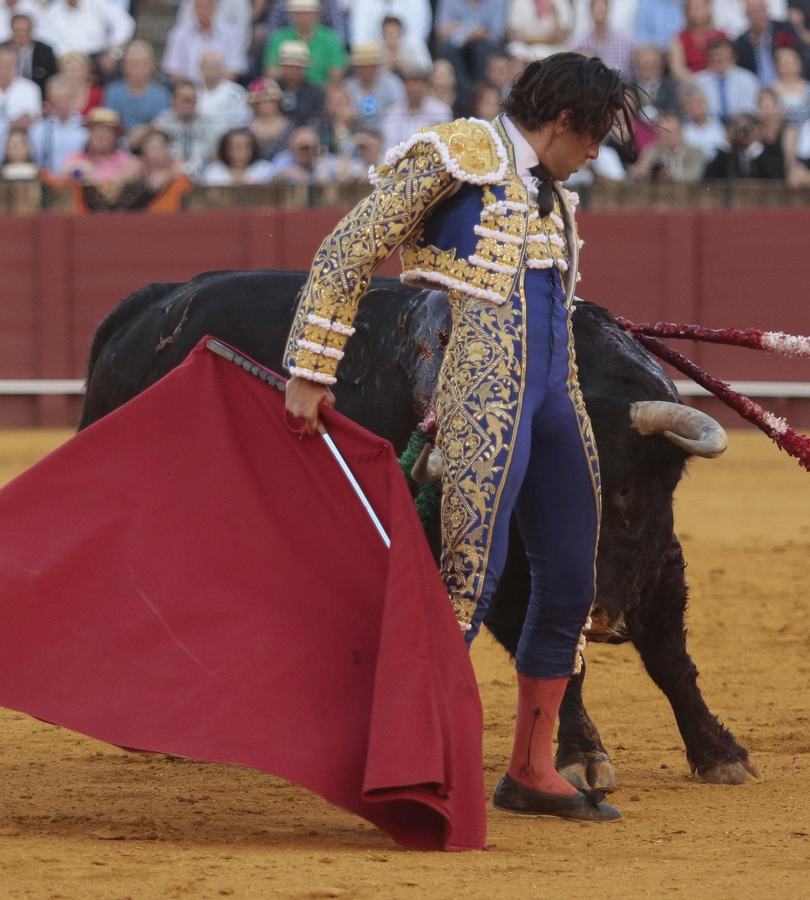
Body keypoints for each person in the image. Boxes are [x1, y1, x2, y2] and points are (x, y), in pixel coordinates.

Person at [282, 53, 639, 822]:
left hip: (556, 398)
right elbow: (349, 248)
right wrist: (312, 368)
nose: (597, 153)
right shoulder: (456, 154)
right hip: (484, 397)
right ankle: (406, 767)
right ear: (565, 121)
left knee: (572, 581)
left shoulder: (552, 194)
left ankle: (532, 769)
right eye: (597, 135)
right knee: (466, 579)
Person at [265, 0, 348, 84]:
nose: (303, 17)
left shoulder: (331, 39)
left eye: (307, 13)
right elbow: (270, 73)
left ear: (317, 14)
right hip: (286, 92)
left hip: (321, 92)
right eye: (299, 13)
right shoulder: (279, 38)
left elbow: (337, 74)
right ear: (292, 15)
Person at [60, 105, 139, 192]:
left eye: (107, 131)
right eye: (96, 130)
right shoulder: (75, 158)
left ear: (115, 136)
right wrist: (77, 171)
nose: (101, 136)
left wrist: (93, 178)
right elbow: (62, 180)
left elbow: (133, 175)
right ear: (89, 134)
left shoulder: (127, 160)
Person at [164, 0, 245, 81]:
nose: (202, 11)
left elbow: (235, 69)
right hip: (190, 88)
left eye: (206, 7)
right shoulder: (178, 35)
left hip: (221, 88)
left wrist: (212, 88)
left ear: (214, 8)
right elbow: (173, 70)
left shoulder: (231, 34)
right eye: (199, 7)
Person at [103, 41, 173, 131]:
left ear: (151, 66)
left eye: (141, 63)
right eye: (132, 63)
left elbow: (161, 125)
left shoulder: (162, 95)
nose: (136, 68)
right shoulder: (112, 92)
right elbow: (110, 124)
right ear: (123, 66)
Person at [152, 79, 218, 173]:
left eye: (192, 99)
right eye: (185, 100)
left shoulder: (207, 123)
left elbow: (216, 155)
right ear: (173, 100)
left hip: (204, 173)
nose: (188, 104)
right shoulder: (162, 123)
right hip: (170, 173)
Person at [381, 66, 453, 148]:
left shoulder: (441, 111)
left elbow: (444, 143)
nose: (414, 88)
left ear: (426, 85)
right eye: (410, 84)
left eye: (417, 84)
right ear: (404, 86)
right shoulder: (392, 113)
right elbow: (390, 145)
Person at [39, 0, 133, 62]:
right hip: (66, 60)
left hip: (97, 58)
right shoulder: (54, 11)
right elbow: (47, 39)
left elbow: (125, 24)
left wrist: (113, 53)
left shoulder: (98, 3)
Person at [26, 76, 88, 171]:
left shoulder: (85, 127)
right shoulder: (39, 129)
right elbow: (36, 159)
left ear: (74, 99)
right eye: (57, 99)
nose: (61, 103)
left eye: (66, 98)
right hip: (48, 180)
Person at [438, 0, 509, 80]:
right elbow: (442, 33)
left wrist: (460, 27)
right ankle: (463, 89)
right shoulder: (449, 1)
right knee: (448, 49)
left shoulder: (498, 2)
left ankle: (482, 87)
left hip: (485, 45)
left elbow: (497, 33)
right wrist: (471, 33)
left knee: (481, 48)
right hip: (457, 46)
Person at [733, 0, 801, 82]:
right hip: (757, 88)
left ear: (766, 11)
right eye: (752, 12)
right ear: (746, 14)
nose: (756, 15)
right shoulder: (741, 43)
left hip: (786, 83)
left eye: (759, 11)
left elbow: (801, 54)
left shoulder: (784, 29)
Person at [703, 110, 787, 176]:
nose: (744, 133)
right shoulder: (728, 154)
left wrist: (755, 148)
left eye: (748, 128)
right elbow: (709, 177)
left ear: (758, 129)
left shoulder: (772, 150)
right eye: (738, 128)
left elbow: (776, 175)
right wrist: (727, 143)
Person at [696, 38, 759, 122]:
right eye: (717, 59)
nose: (720, 61)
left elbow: (751, 109)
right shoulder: (699, 81)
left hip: (741, 125)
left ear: (733, 58)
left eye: (724, 57)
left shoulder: (747, 79)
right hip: (710, 126)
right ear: (709, 60)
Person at [343, 41, 401, 132]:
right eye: (363, 66)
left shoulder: (392, 84)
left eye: (371, 66)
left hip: (387, 133)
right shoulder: (347, 87)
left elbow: (400, 111)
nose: (367, 70)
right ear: (356, 67)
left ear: (377, 66)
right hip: (355, 133)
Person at [633, 109, 706, 179]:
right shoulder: (651, 151)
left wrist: (671, 175)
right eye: (663, 132)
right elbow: (638, 172)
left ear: (680, 132)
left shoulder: (694, 152)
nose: (667, 136)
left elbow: (695, 175)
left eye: (671, 132)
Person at [0, 44, 42, 125]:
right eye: (3, 64)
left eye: (11, 64)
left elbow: (32, 120)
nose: (7, 69)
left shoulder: (30, 89)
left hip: (20, 135)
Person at [568, 0, 634, 75]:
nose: (600, 14)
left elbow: (629, 73)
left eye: (602, 10)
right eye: (597, 10)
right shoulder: (578, 42)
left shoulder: (624, 42)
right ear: (590, 13)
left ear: (608, 12)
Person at [195, 49, 250, 133]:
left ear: (221, 68)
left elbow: (242, 119)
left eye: (214, 66)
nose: (210, 70)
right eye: (207, 65)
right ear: (201, 68)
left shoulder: (235, 91)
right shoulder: (195, 93)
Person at [0, 13, 55, 86]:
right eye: (17, 31)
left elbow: (51, 78)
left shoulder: (45, 51)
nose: (21, 35)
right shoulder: (1, 49)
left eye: (25, 31)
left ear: (31, 31)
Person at [201, 126, 276, 183]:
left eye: (247, 146)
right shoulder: (214, 171)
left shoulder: (264, 170)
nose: (242, 150)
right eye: (238, 146)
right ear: (227, 149)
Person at [671, 0, 727, 75]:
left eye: (701, 7)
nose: (698, 12)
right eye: (693, 8)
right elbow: (678, 68)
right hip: (691, 82)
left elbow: (727, 63)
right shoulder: (681, 38)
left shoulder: (721, 35)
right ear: (686, 12)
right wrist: (698, 82)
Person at [770, 44, 810, 123]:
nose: (786, 66)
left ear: (799, 63)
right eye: (782, 63)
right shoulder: (770, 89)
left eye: (789, 62)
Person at [506, 0, 573, 60]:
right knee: (516, 49)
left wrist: (555, 13)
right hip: (526, 47)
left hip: (551, 47)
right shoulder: (520, 2)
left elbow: (560, 37)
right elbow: (515, 34)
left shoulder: (561, 3)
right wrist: (544, 38)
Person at [246, 77, 294, 159]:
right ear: (255, 105)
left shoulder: (288, 126)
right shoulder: (247, 128)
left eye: (271, 101)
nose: (266, 105)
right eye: (261, 102)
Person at [680, 83, 728, 153]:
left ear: (706, 102)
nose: (694, 105)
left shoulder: (722, 123)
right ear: (684, 108)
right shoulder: (681, 127)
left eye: (697, 101)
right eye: (689, 104)